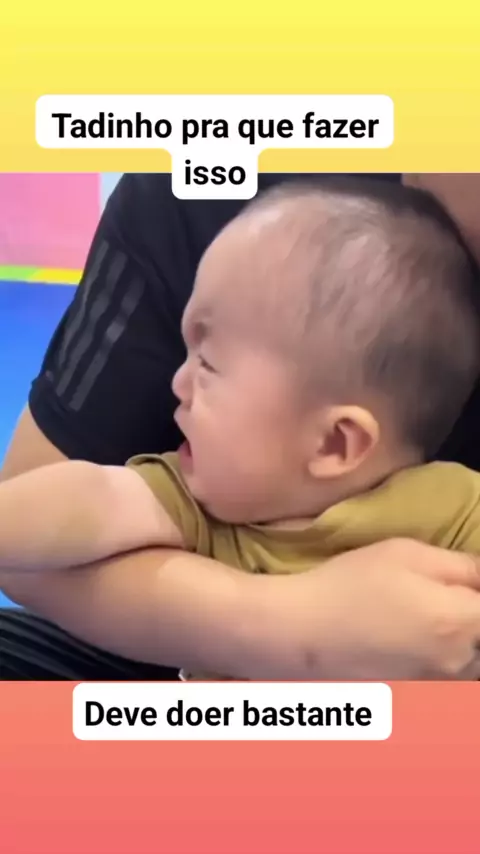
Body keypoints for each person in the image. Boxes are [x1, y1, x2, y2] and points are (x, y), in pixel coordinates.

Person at [3, 176, 480, 681]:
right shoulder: (199, 497)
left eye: (208, 364)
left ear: (334, 442)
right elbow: (95, 499)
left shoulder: (448, 509)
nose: (178, 382)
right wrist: (291, 628)